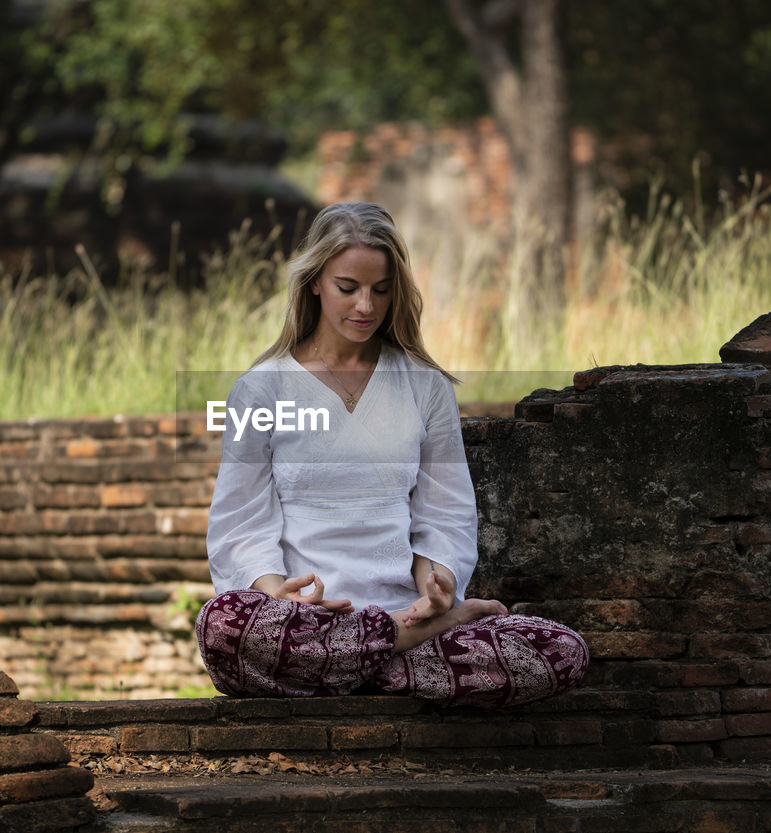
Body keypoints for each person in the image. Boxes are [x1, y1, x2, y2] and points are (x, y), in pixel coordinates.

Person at [196, 202, 588, 708]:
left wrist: (436, 585)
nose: (366, 306)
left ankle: (347, 666)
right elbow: (240, 522)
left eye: (381, 291)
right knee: (223, 623)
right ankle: (388, 660)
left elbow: (444, 514)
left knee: (561, 651)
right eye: (348, 288)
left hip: (407, 617)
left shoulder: (426, 388)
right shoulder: (261, 390)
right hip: (303, 622)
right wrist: (277, 593)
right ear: (315, 282)